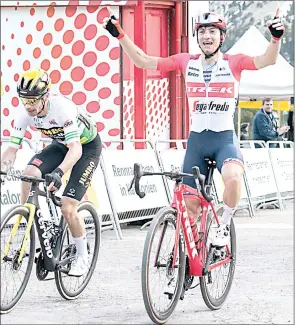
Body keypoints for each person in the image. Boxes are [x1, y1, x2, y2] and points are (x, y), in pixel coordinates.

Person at [102, 8, 285, 247]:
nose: (207, 36)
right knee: (189, 207)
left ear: (222, 37)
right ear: (196, 36)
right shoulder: (185, 62)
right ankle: (189, 260)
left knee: (232, 178)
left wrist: (275, 38)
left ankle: (223, 226)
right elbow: (143, 61)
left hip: (224, 142)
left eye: (213, 31)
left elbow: (267, 60)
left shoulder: (235, 63)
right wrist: (120, 36)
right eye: (202, 32)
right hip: (197, 143)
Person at [1, 68, 102, 276]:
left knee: (68, 206)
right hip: (61, 144)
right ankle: (29, 225)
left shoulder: (62, 109)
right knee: (29, 173)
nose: (28, 106)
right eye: (24, 100)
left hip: (86, 148)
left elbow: (76, 149)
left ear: (45, 97)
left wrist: (58, 172)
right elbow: (11, 150)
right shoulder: (23, 113)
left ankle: (82, 256)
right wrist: (3, 169)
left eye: (33, 101)